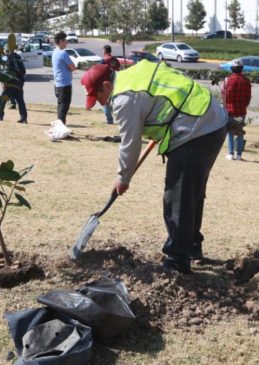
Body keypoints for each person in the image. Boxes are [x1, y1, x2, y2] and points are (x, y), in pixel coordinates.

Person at [81, 62, 239, 274]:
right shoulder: (136, 73)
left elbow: (130, 142)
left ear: (107, 85)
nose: (102, 104)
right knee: (191, 192)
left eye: (98, 98)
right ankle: (191, 246)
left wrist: (123, 178)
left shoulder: (124, 97)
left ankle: (177, 260)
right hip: (212, 122)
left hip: (195, 129)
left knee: (177, 196)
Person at [222, 59, 251, 161]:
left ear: (232, 69)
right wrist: (244, 106)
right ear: (241, 69)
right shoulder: (246, 81)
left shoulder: (227, 80)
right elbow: (248, 97)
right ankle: (239, 155)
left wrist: (225, 107)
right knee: (239, 131)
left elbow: (225, 96)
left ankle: (230, 153)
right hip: (241, 110)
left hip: (230, 110)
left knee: (230, 131)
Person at [0, 36, 28, 124]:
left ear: (7, 50)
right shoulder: (18, 57)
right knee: (20, 101)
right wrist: (21, 83)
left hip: (10, 84)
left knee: (2, 100)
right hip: (19, 83)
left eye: (5, 50)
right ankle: (23, 117)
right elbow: (24, 71)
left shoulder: (9, 59)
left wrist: (5, 82)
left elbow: (6, 72)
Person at [52, 31, 76, 124]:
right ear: (61, 41)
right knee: (63, 107)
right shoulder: (63, 53)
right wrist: (69, 68)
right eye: (65, 40)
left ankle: (60, 127)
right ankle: (60, 129)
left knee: (61, 106)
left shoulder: (55, 52)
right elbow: (73, 67)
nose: (67, 42)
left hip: (58, 84)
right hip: (64, 84)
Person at [99, 45, 121, 124]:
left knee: (105, 102)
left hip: (105, 84)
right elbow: (118, 69)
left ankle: (109, 120)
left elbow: (99, 72)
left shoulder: (103, 60)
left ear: (104, 50)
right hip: (114, 84)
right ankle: (119, 119)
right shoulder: (114, 59)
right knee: (114, 101)